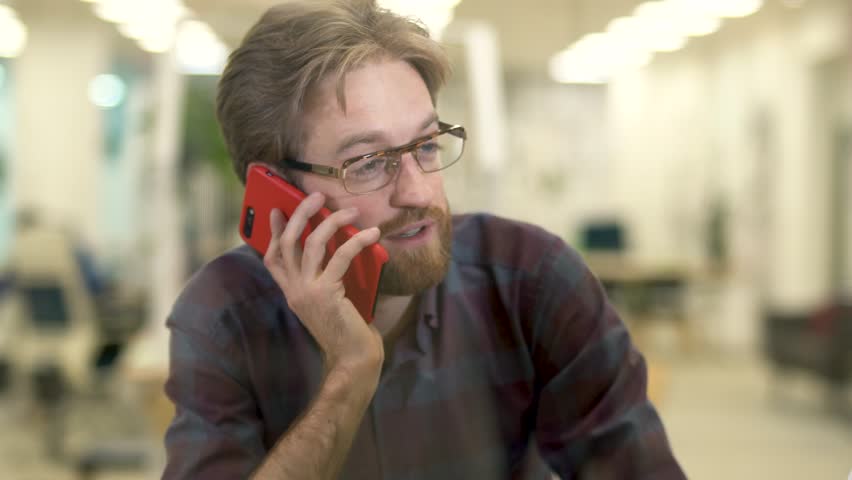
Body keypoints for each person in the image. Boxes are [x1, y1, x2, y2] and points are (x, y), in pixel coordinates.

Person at [162, 1, 686, 478]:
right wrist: (348, 377)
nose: (417, 191)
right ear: (278, 192)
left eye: (427, 146)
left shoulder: (532, 280)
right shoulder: (223, 314)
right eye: (368, 164)